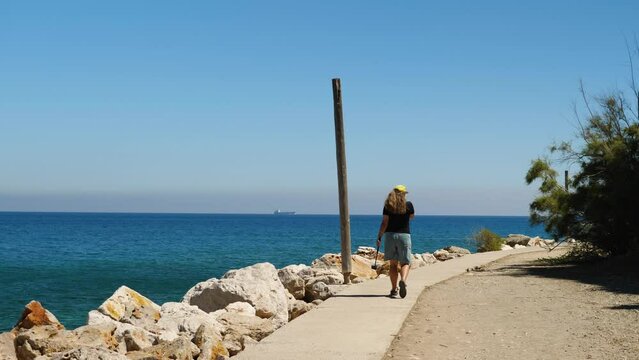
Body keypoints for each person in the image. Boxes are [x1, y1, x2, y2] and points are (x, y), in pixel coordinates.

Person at [377, 184, 415, 298]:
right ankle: (403, 280)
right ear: (404, 194)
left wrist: (379, 237)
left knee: (393, 265)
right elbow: (411, 217)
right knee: (405, 262)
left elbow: (384, 223)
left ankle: (394, 290)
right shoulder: (409, 205)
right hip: (404, 236)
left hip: (390, 236)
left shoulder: (388, 205)